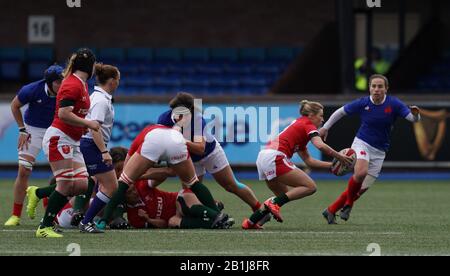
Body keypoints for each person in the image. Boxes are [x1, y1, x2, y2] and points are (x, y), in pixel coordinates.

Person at [320, 74, 421, 224]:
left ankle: (330, 210)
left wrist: (416, 114)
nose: (376, 89)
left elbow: (413, 120)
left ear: (386, 89)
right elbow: (340, 112)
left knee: (360, 190)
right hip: (362, 143)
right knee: (360, 173)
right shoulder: (363, 103)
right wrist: (325, 127)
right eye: (373, 86)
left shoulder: (394, 104)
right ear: (369, 88)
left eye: (380, 86)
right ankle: (348, 205)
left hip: (380, 151)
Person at [96, 118, 231, 229]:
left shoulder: (138, 180)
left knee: (185, 198)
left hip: (180, 198)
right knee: (176, 217)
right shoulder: (134, 214)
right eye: (117, 170)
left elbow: (167, 172)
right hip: (177, 141)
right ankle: (216, 218)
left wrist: (141, 175)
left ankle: (215, 213)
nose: (133, 191)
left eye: (120, 169)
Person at [242, 100, 353, 229]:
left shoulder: (300, 127)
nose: (322, 120)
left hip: (263, 157)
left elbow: (309, 162)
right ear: (311, 115)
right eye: (321, 116)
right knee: (310, 187)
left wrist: (332, 166)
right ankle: (272, 204)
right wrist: (340, 157)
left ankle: (251, 222)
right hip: (275, 156)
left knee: (282, 194)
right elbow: (320, 145)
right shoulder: (307, 124)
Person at [157, 92, 262, 213]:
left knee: (231, 186)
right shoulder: (164, 120)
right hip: (189, 159)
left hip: (210, 153)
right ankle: (213, 208)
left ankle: (259, 210)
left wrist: (180, 139)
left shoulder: (197, 119)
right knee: (190, 194)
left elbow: (200, 149)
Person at [35, 48, 100, 238]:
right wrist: (88, 123)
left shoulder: (80, 83)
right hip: (59, 138)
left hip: (72, 139)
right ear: (89, 66)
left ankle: (37, 193)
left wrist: (82, 126)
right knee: (64, 185)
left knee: (81, 185)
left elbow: (74, 113)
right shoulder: (73, 84)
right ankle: (44, 227)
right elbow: (64, 114)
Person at [4, 65, 63, 226]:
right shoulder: (31, 90)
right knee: (23, 171)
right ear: (50, 82)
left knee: (61, 174)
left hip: (56, 130)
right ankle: (15, 215)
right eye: (58, 81)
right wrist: (22, 129)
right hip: (32, 130)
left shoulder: (66, 91)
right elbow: (14, 105)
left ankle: (49, 208)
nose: (62, 84)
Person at [70, 63, 120, 233]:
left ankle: (84, 219)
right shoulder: (101, 100)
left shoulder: (100, 97)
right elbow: (94, 128)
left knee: (80, 184)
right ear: (112, 81)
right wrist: (104, 151)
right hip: (92, 146)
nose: (118, 83)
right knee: (111, 187)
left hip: (90, 145)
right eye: (118, 79)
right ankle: (86, 221)